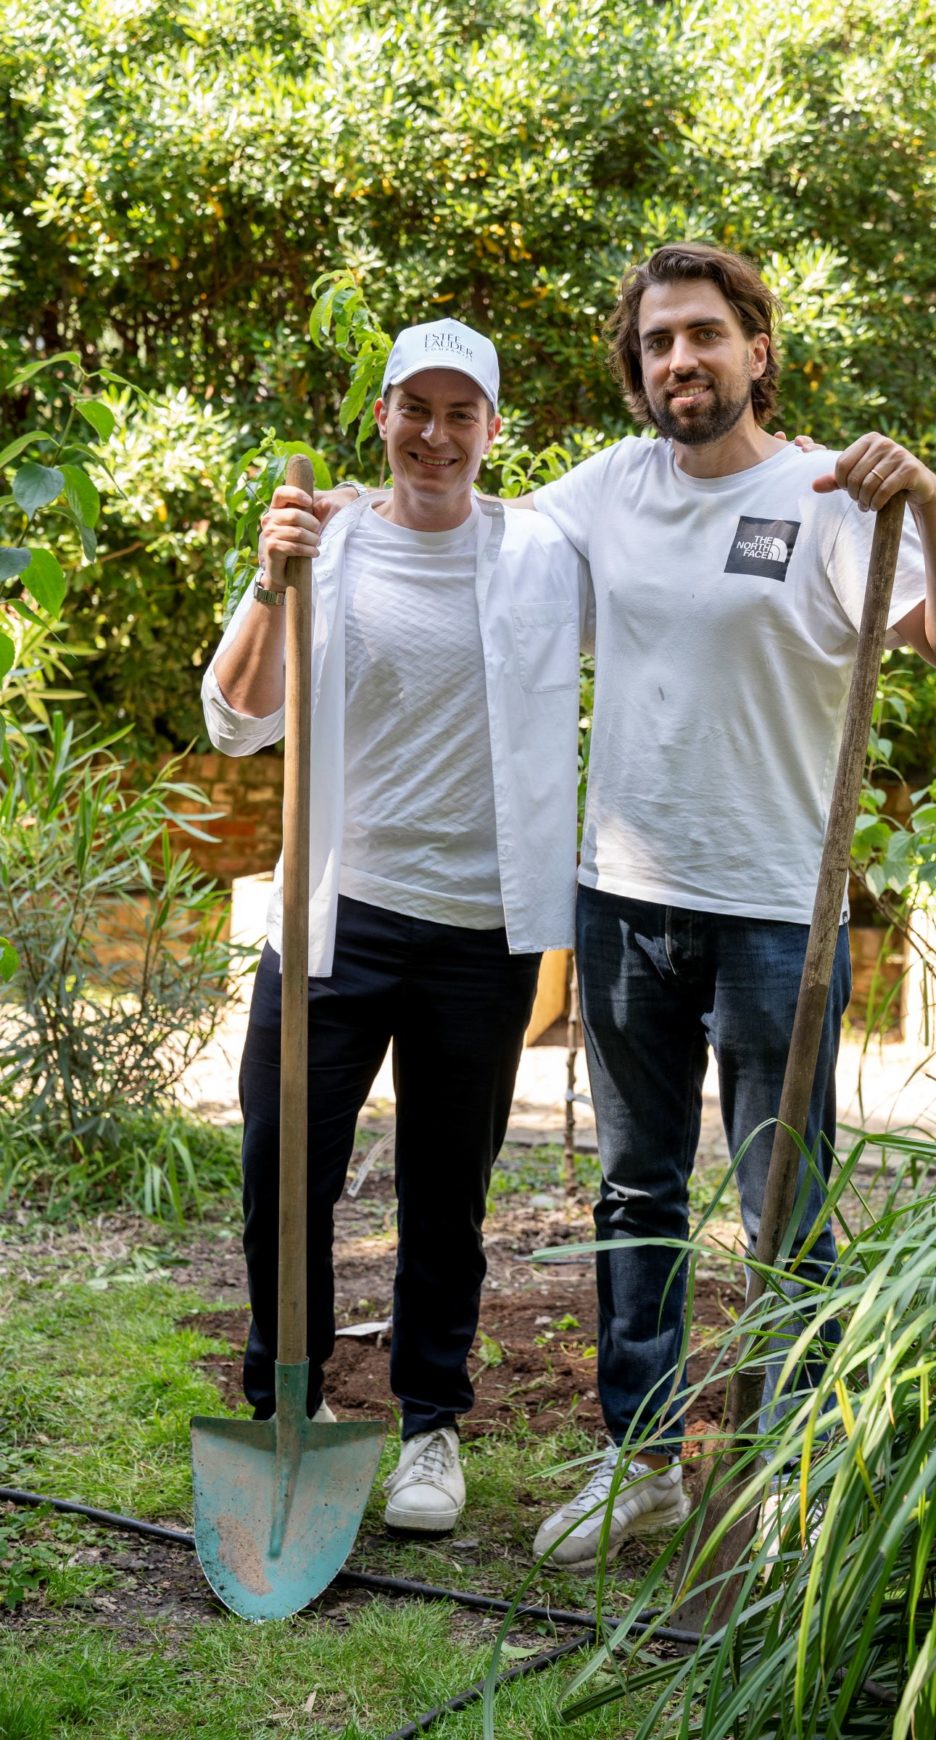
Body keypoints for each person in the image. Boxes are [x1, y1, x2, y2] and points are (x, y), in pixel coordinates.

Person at [517, 242, 936, 1569]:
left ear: (756, 349)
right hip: (623, 900)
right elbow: (480, 559)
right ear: (638, 368)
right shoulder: (602, 492)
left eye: (704, 335)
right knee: (636, 1190)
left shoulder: (840, 495)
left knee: (784, 1193)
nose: (682, 360)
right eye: (659, 342)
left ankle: (793, 1461)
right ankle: (645, 1460)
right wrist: (357, 520)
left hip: (778, 908)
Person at [201, 318, 590, 1534]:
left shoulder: (540, 552)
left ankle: (431, 1426)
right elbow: (234, 722)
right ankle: (290, 1405)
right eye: (412, 408)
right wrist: (271, 582)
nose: (434, 433)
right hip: (335, 921)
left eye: (459, 411)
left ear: (489, 428)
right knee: (283, 1173)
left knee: (445, 1190)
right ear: (380, 416)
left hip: (482, 929)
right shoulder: (324, 543)